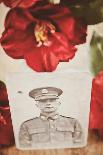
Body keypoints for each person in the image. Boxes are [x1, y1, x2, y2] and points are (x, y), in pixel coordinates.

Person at [19, 87, 83, 148]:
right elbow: (24, 148)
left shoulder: (73, 123)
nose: (48, 103)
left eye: (52, 100)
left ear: (59, 103)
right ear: (37, 105)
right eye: (43, 101)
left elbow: (79, 147)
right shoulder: (27, 125)